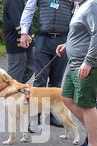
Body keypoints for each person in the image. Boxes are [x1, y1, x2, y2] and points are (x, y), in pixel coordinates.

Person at [56, 0, 97, 146]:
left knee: (87, 105)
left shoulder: (92, 4)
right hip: (75, 64)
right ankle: (95, 133)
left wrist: (89, 61)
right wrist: (67, 44)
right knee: (66, 97)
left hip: (88, 65)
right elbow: (81, 31)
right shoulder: (79, 5)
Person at [20, 0, 75, 128]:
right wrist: (23, 32)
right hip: (43, 39)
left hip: (63, 39)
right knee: (40, 80)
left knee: (56, 81)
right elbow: (29, 10)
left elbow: (79, 13)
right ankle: (35, 118)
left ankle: (52, 115)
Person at [3, 0, 35, 85]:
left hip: (26, 41)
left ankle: (16, 89)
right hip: (16, 41)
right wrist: (23, 34)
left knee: (30, 68)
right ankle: (10, 92)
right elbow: (17, 19)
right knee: (15, 74)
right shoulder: (14, 1)